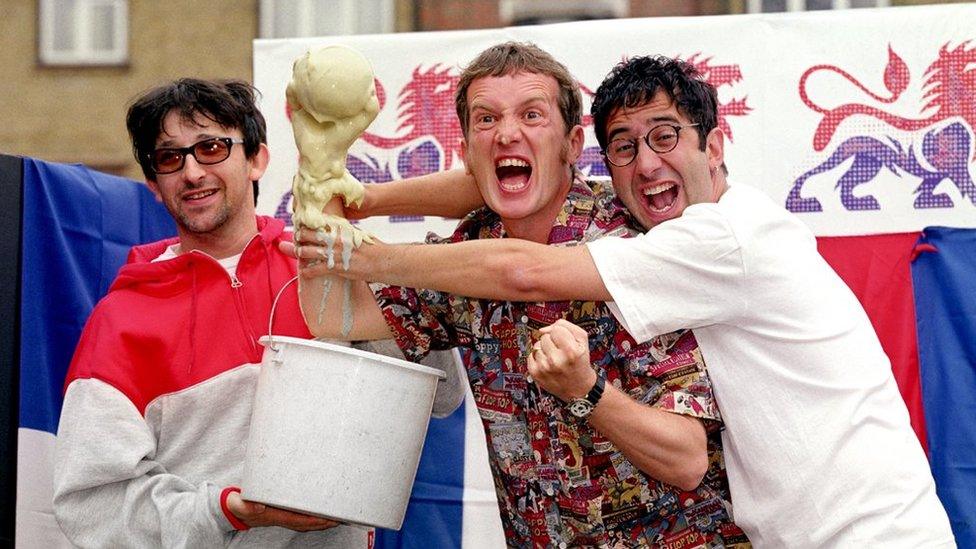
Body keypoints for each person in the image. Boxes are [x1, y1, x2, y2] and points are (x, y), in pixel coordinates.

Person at [308, 55, 958, 547]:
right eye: (628, 146)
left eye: (666, 138)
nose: (647, 165)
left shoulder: (665, 240)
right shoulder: (473, 248)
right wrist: (334, 187)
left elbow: (525, 273)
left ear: (716, 144)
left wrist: (364, 250)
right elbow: (336, 315)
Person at [293, 43, 749, 547]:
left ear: (573, 144)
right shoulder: (468, 250)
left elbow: (686, 460)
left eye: (532, 114)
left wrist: (586, 392)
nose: (508, 133)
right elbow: (336, 316)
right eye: (486, 119)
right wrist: (320, 163)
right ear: (467, 153)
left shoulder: (637, 240)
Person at [51, 78, 374, 548]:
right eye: (170, 158)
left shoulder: (328, 269)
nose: (192, 172)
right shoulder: (120, 319)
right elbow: (91, 505)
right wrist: (223, 510)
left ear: (258, 159)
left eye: (211, 147)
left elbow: (435, 393)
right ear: (154, 187)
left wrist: (399, 279)